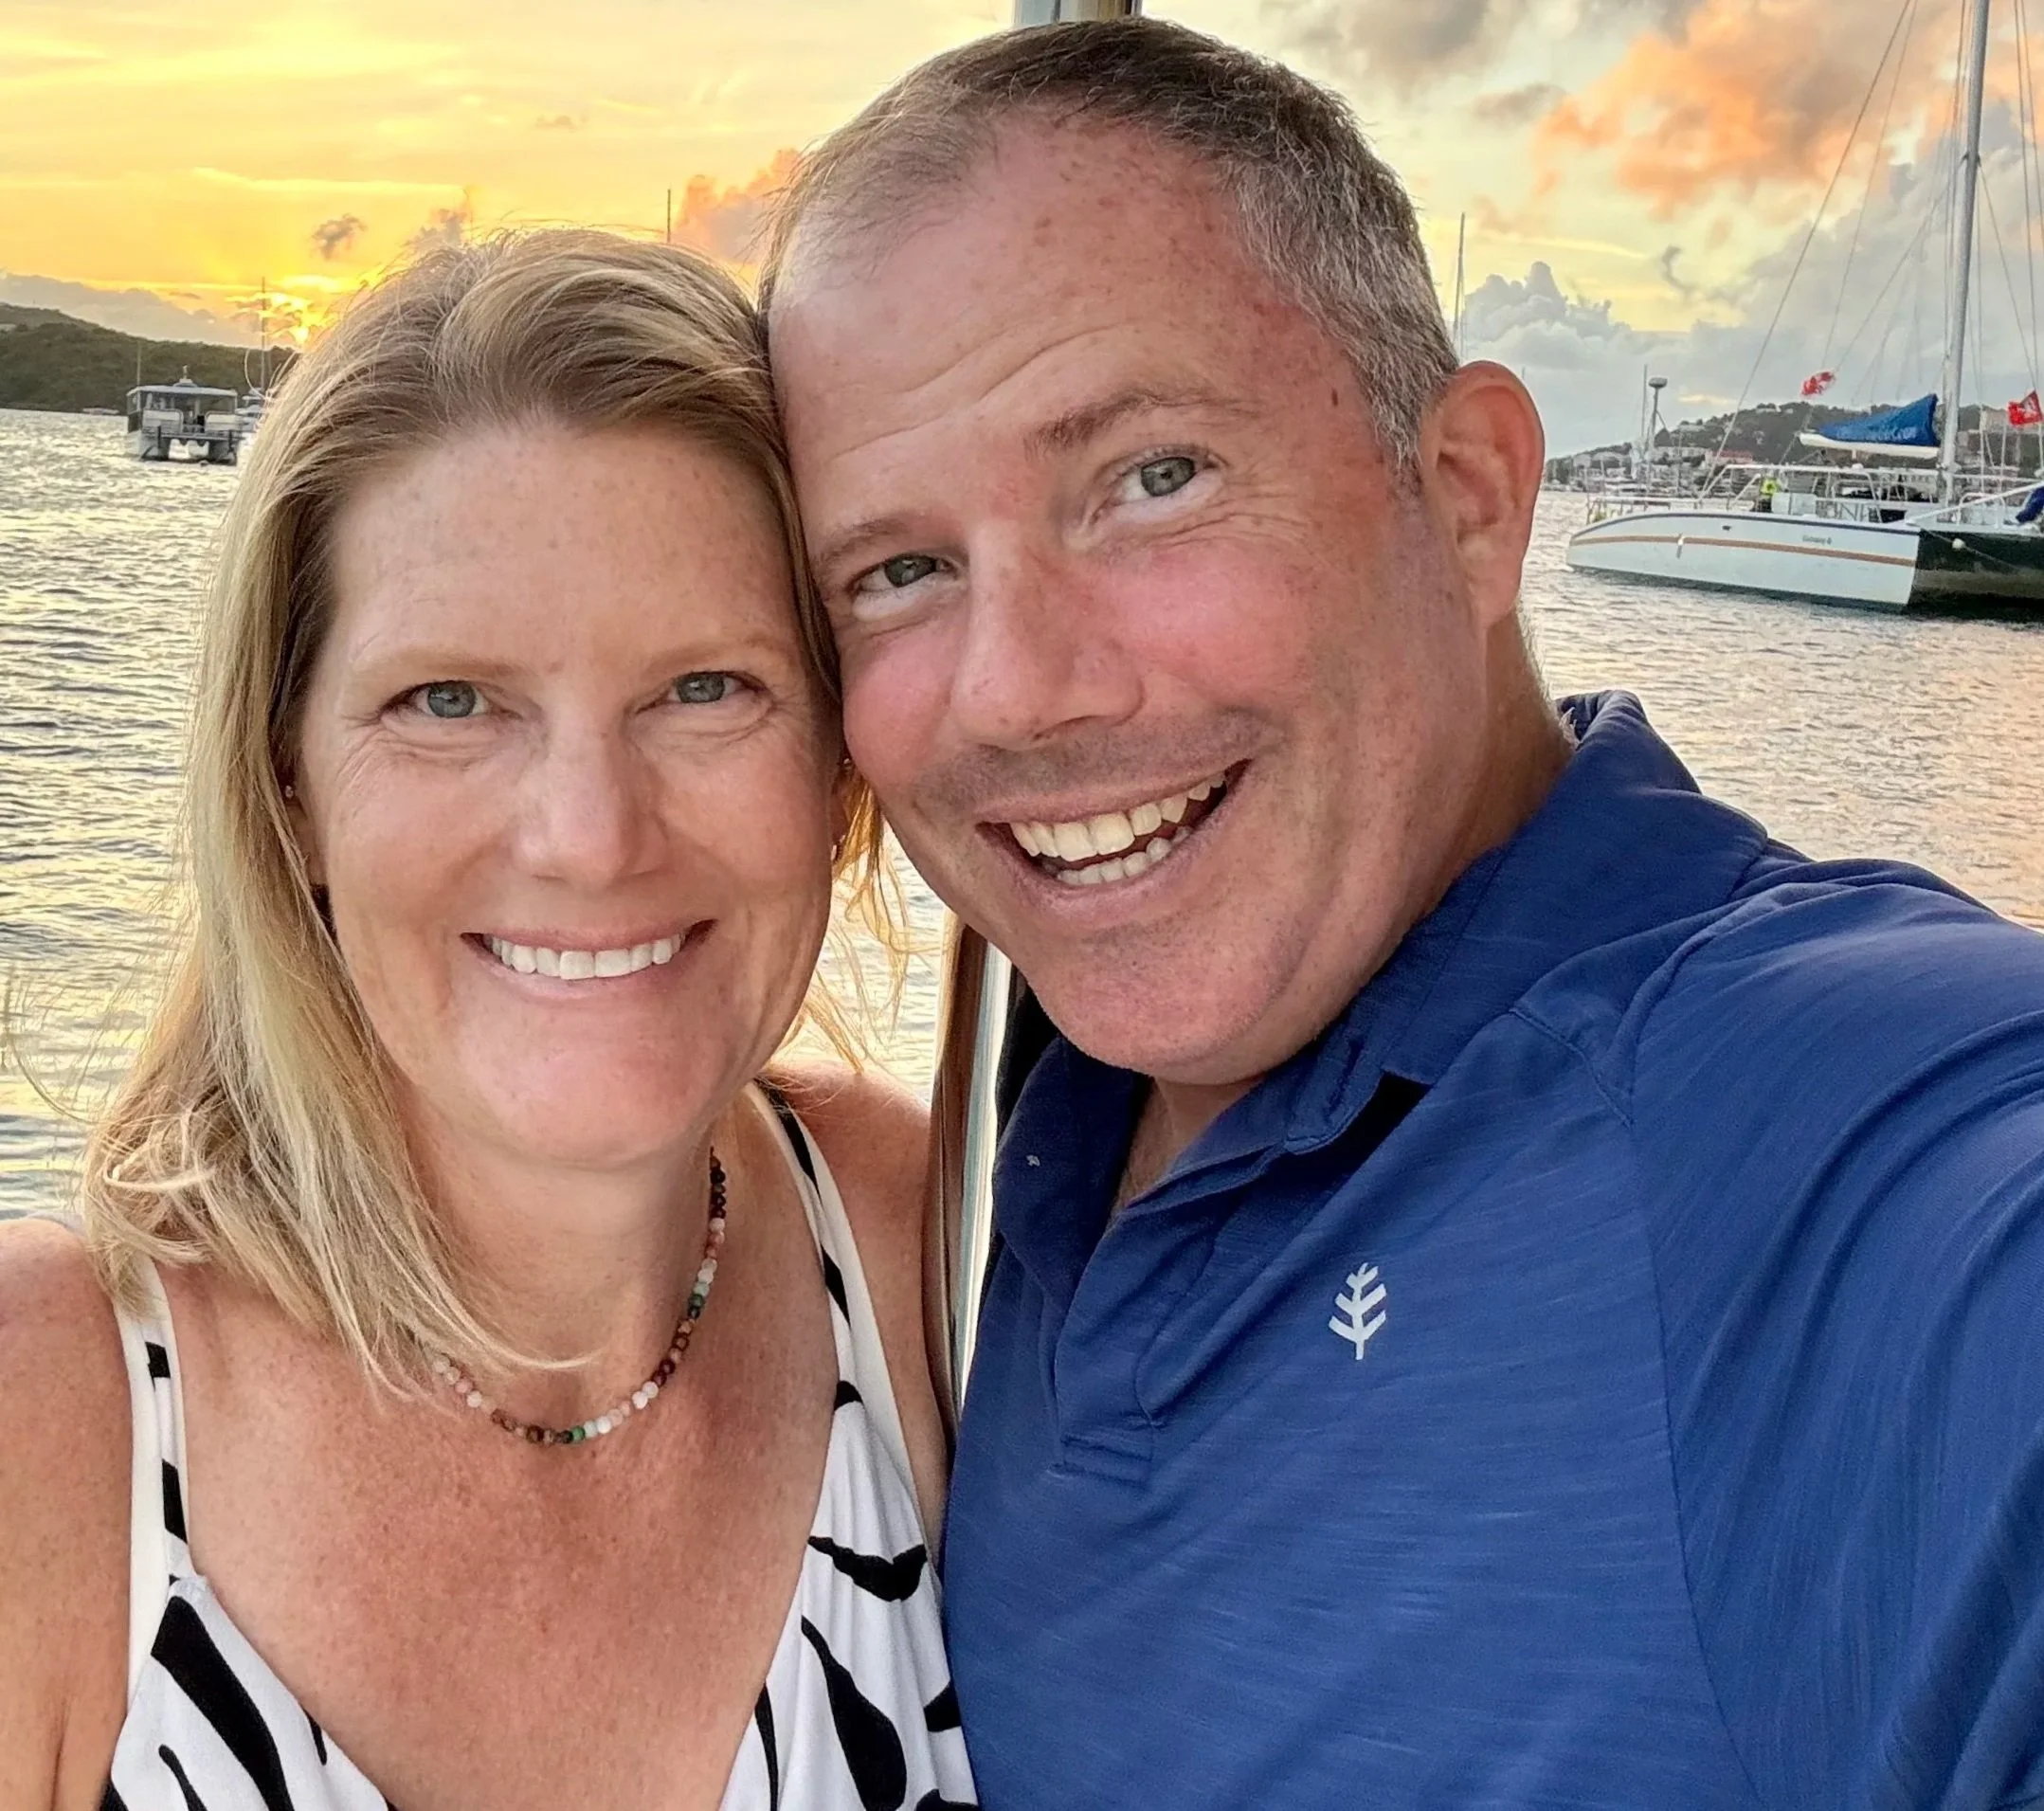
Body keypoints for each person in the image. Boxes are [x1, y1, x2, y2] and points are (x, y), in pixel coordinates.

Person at [762, 18, 2044, 1809]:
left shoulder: (1826, 1139)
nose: (1018, 691)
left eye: (1152, 479)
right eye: (900, 571)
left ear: (1470, 499)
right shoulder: (1018, 1142)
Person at [0, 231, 976, 1811]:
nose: (589, 835)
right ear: (289, 788)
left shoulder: (930, 1257)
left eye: (707, 688)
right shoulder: (49, 1420)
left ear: (837, 766)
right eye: (448, 701)